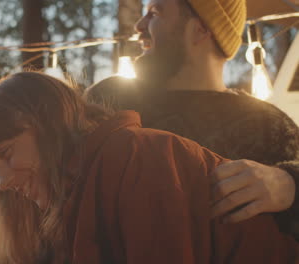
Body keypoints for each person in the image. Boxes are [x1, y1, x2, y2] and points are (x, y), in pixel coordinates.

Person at [0, 71, 298, 264]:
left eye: (6, 153)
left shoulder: (137, 156)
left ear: (46, 123)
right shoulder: (72, 192)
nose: (2, 182)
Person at [85, 0, 299, 237]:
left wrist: (289, 184)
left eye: (155, 13)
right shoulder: (108, 99)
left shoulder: (269, 126)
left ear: (201, 30)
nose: (139, 26)